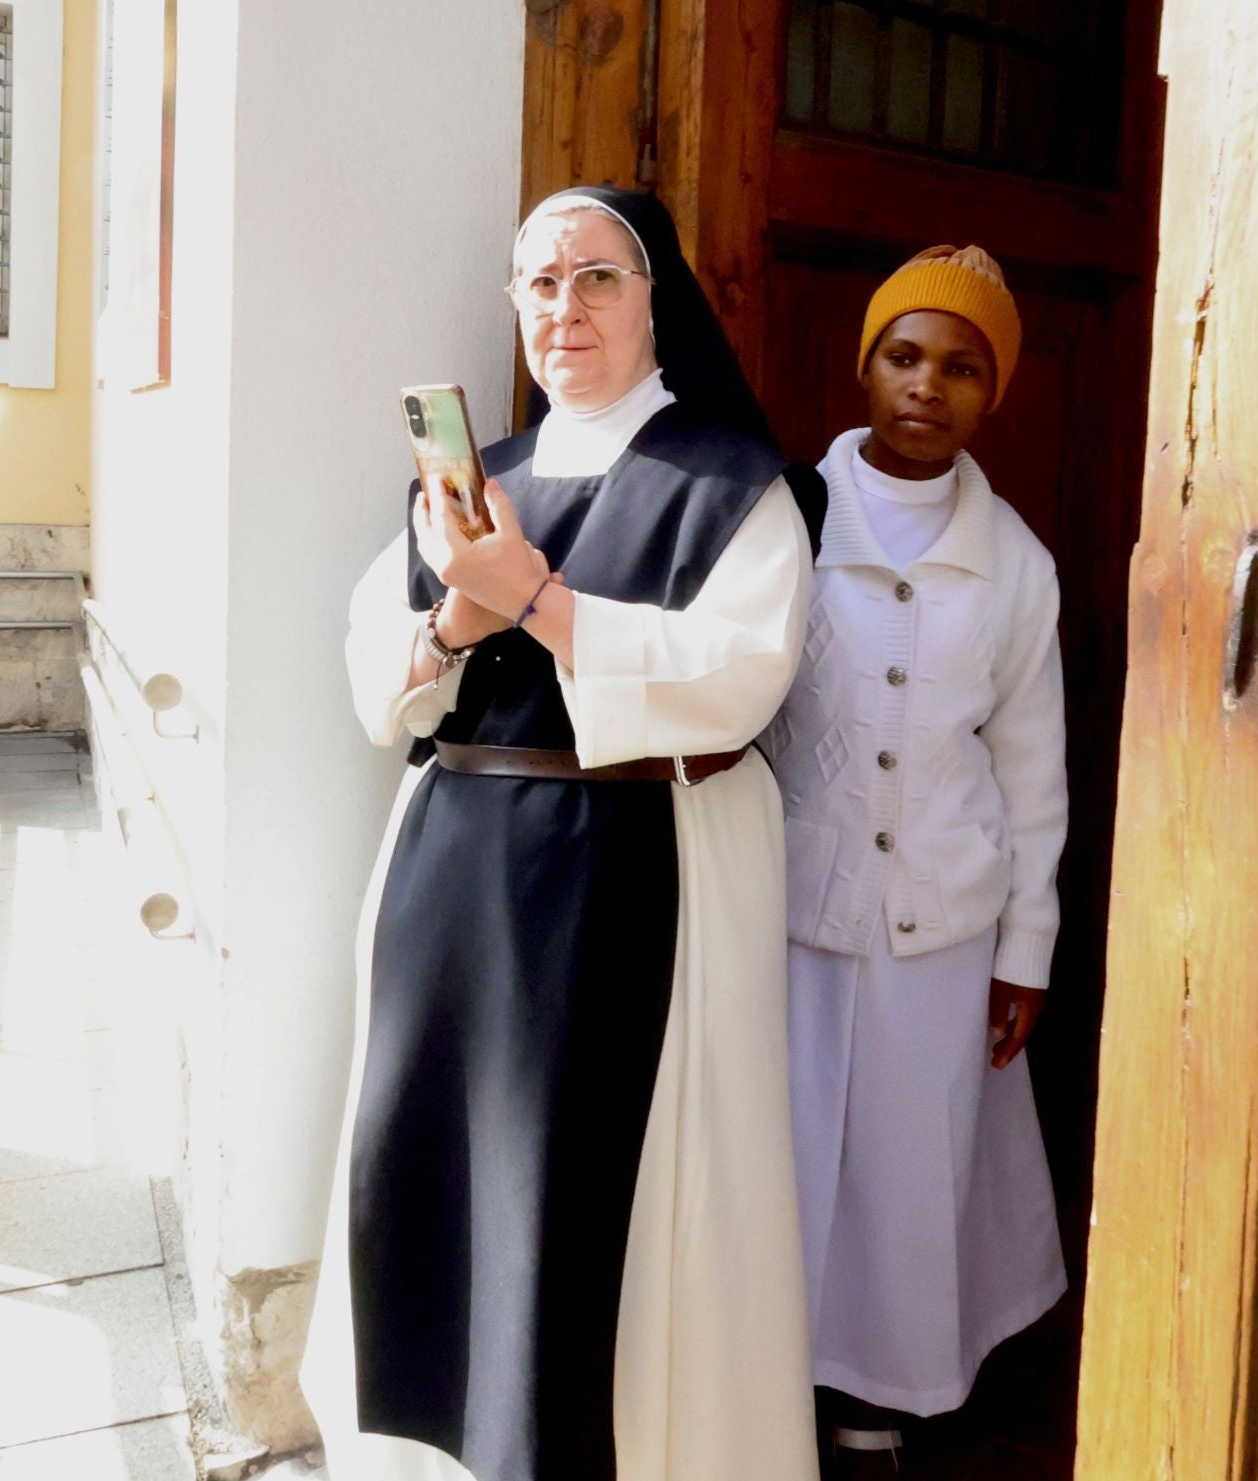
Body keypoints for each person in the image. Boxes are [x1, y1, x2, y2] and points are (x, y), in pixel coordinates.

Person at [301, 187, 827, 1481]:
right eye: (538, 283)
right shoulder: (475, 488)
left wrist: (534, 595)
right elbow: (380, 689)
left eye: (597, 277)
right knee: (428, 1179)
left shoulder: (738, 483)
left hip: (631, 882)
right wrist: (457, 624)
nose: (563, 307)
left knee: (597, 1220)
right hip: (453, 883)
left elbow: (741, 676)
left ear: (659, 302)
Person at [765, 246, 1069, 1476]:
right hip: (791, 903)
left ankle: (876, 1393)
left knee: (905, 1159)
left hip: (943, 913)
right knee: (782, 1146)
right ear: (865, 364)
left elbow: (1031, 770)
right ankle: (765, 1372)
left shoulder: (1019, 567)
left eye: (961, 366)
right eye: (904, 354)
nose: (926, 386)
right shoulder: (786, 515)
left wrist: (1027, 950)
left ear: (994, 392)